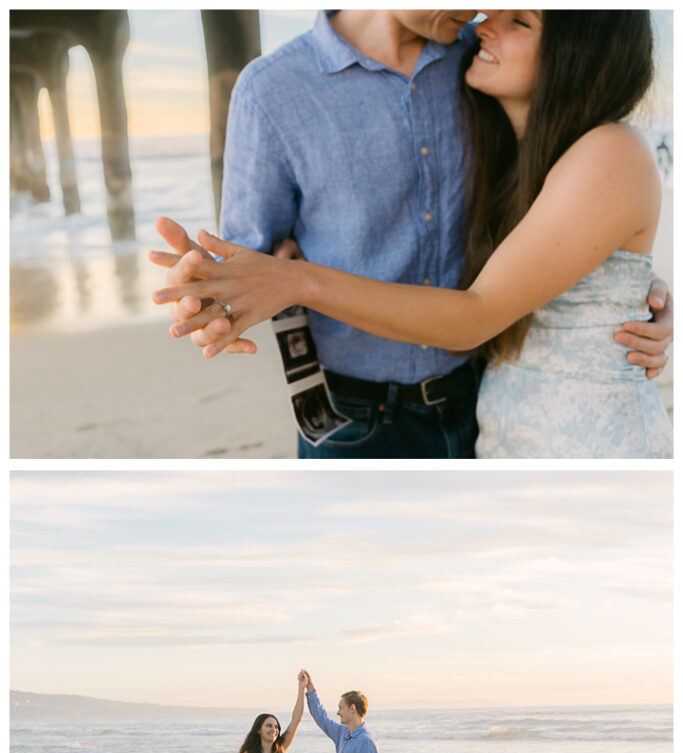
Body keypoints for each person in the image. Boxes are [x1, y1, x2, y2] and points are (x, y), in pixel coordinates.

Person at [149, 9, 673, 460]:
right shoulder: (274, 89)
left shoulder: (473, 57)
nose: (480, 12)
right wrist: (203, 297)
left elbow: (573, 219)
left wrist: (632, 296)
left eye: (514, 16)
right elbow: (248, 270)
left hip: (478, 399)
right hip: (355, 412)